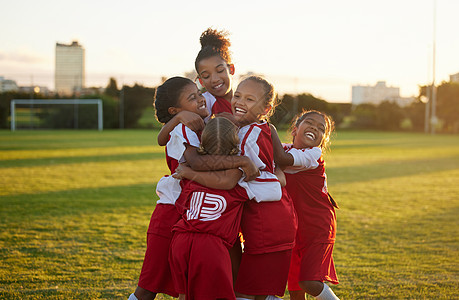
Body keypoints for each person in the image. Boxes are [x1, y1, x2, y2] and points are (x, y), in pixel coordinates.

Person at [129, 77, 256, 300]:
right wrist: (241, 161)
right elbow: (195, 162)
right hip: (172, 214)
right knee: (149, 287)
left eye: (198, 93)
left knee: (193, 287)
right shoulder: (182, 127)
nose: (200, 98)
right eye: (192, 97)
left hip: (193, 213)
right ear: (175, 110)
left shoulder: (199, 123)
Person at [168, 117, 251, 300]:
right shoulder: (237, 175)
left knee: (185, 295)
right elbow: (254, 175)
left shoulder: (190, 172)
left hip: (181, 239)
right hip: (211, 245)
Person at [230, 76, 297, 300]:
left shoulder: (247, 134)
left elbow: (245, 176)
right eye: (237, 95)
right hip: (274, 217)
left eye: (250, 99)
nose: (240, 102)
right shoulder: (261, 127)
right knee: (262, 293)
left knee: (245, 294)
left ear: (265, 109)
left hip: (266, 223)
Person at [273, 110, 340, 300]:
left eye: (321, 129)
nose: (315, 128)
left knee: (309, 282)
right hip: (294, 228)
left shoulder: (313, 154)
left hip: (317, 227)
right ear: (295, 129)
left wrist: (268, 129)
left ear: (322, 140)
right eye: (309, 123)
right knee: (295, 289)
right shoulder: (284, 148)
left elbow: (282, 160)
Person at [157, 27, 235, 147]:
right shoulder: (204, 102)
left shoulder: (245, 98)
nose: (215, 79)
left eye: (220, 70)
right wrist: (179, 117)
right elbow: (162, 140)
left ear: (231, 69)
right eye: (206, 76)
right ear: (201, 81)